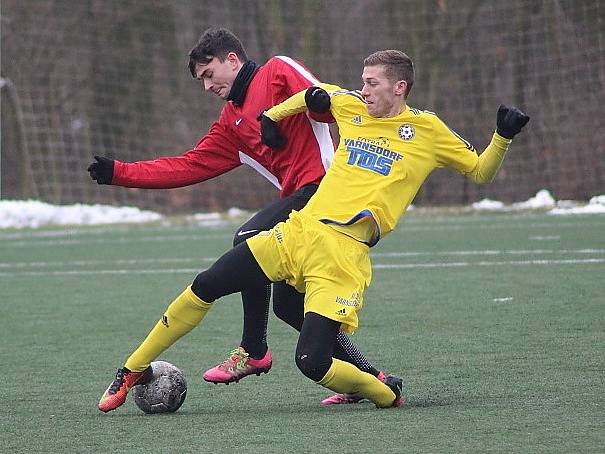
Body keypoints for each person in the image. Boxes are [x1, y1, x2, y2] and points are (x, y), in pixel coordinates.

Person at [97, 48, 529, 412]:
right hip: (299, 233)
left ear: (400, 87)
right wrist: (272, 117)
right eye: (363, 80)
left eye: (373, 82)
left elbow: (479, 172)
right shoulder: (350, 106)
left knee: (310, 360)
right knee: (209, 283)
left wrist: (502, 137)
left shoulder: (428, 130)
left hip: (340, 255)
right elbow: (315, 95)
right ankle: (132, 367)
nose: (364, 89)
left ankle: (382, 391)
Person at [90, 28, 393, 410]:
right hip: (303, 213)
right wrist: (121, 173)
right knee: (288, 307)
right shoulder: (230, 122)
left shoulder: (277, 70)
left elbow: (327, 101)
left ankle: (254, 349)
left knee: (248, 236)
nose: (206, 86)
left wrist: (285, 112)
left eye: (208, 73)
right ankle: (372, 378)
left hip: (327, 191)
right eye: (200, 80)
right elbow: (188, 166)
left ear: (232, 60)